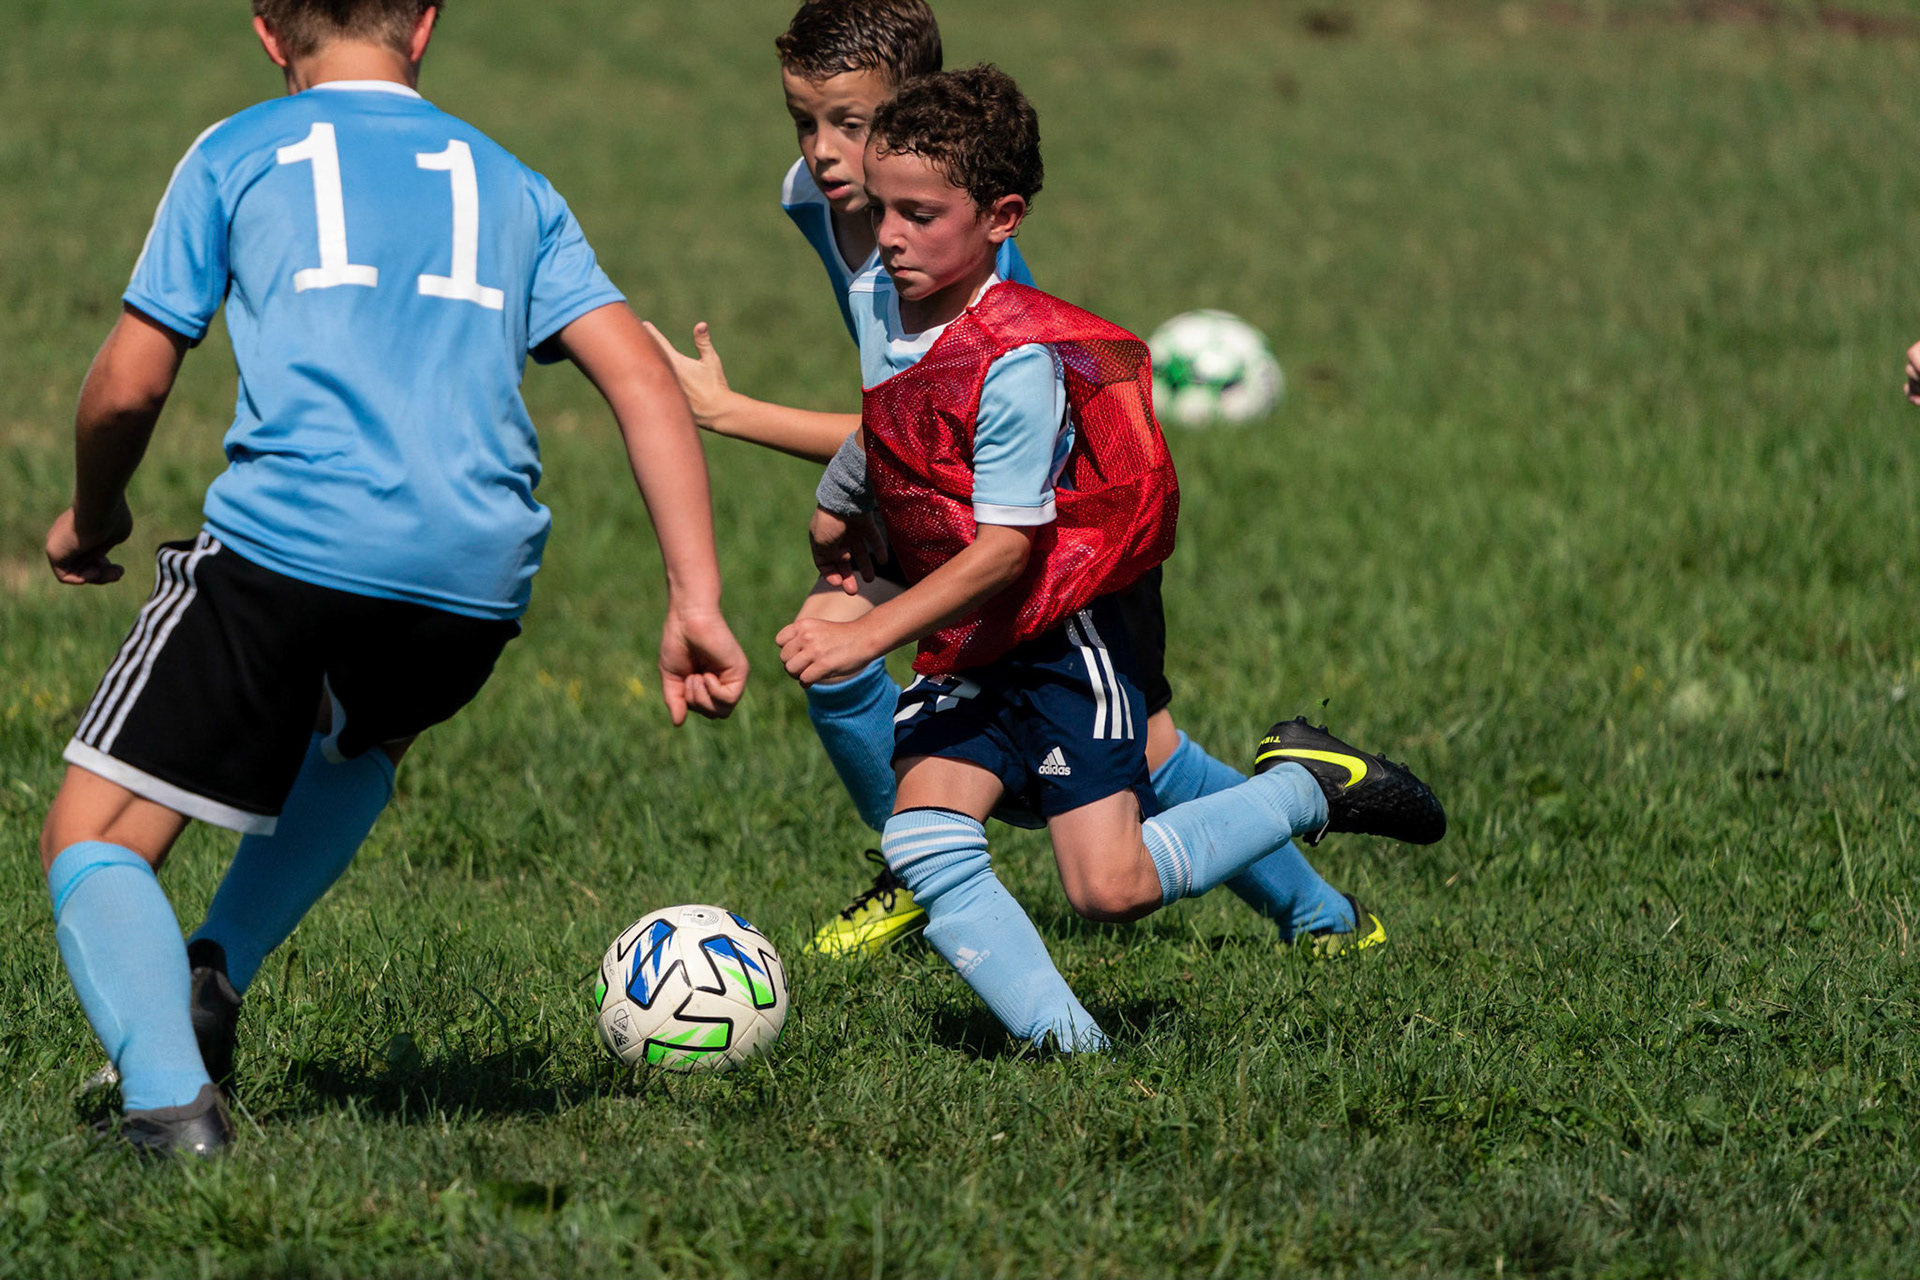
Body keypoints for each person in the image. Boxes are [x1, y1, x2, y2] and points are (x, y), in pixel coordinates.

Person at [39, 0, 749, 1156]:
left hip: (292, 543)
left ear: (269, 32)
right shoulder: (514, 182)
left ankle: (171, 1108)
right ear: (424, 23)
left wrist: (96, 509)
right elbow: (643, 380)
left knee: (93, 835)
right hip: (475, 574)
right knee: (359, 738)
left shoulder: (237, 150)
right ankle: (213, 968)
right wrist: (696, 597)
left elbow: (128, 382)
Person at [649, 0, 1378, 961]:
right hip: (950, 510)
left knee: (1149, 752)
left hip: (1061, 531)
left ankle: (1320, 910)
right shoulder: (824, 200)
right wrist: (852, 492)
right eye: (804, 120)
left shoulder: (969, 248)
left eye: (852, 124)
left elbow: (962, 431)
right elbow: (899, 410)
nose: (825, 152)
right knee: (829, 634)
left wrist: (737, 417)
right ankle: (918, 865)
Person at [764, 65, 1444, 1050]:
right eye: (883, 207)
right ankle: (1071, 1054)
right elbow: (891, 414)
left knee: (1108, 888)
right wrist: (841, 504)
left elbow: (1007, 551)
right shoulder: (883, 291)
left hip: (1057, 632)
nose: (894, 233)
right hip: (969, 633)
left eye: (921, 212)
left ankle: (1310, 784)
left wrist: (868, 630)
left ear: (1002, 217)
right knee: (923, 833)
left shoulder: (1018, 361)